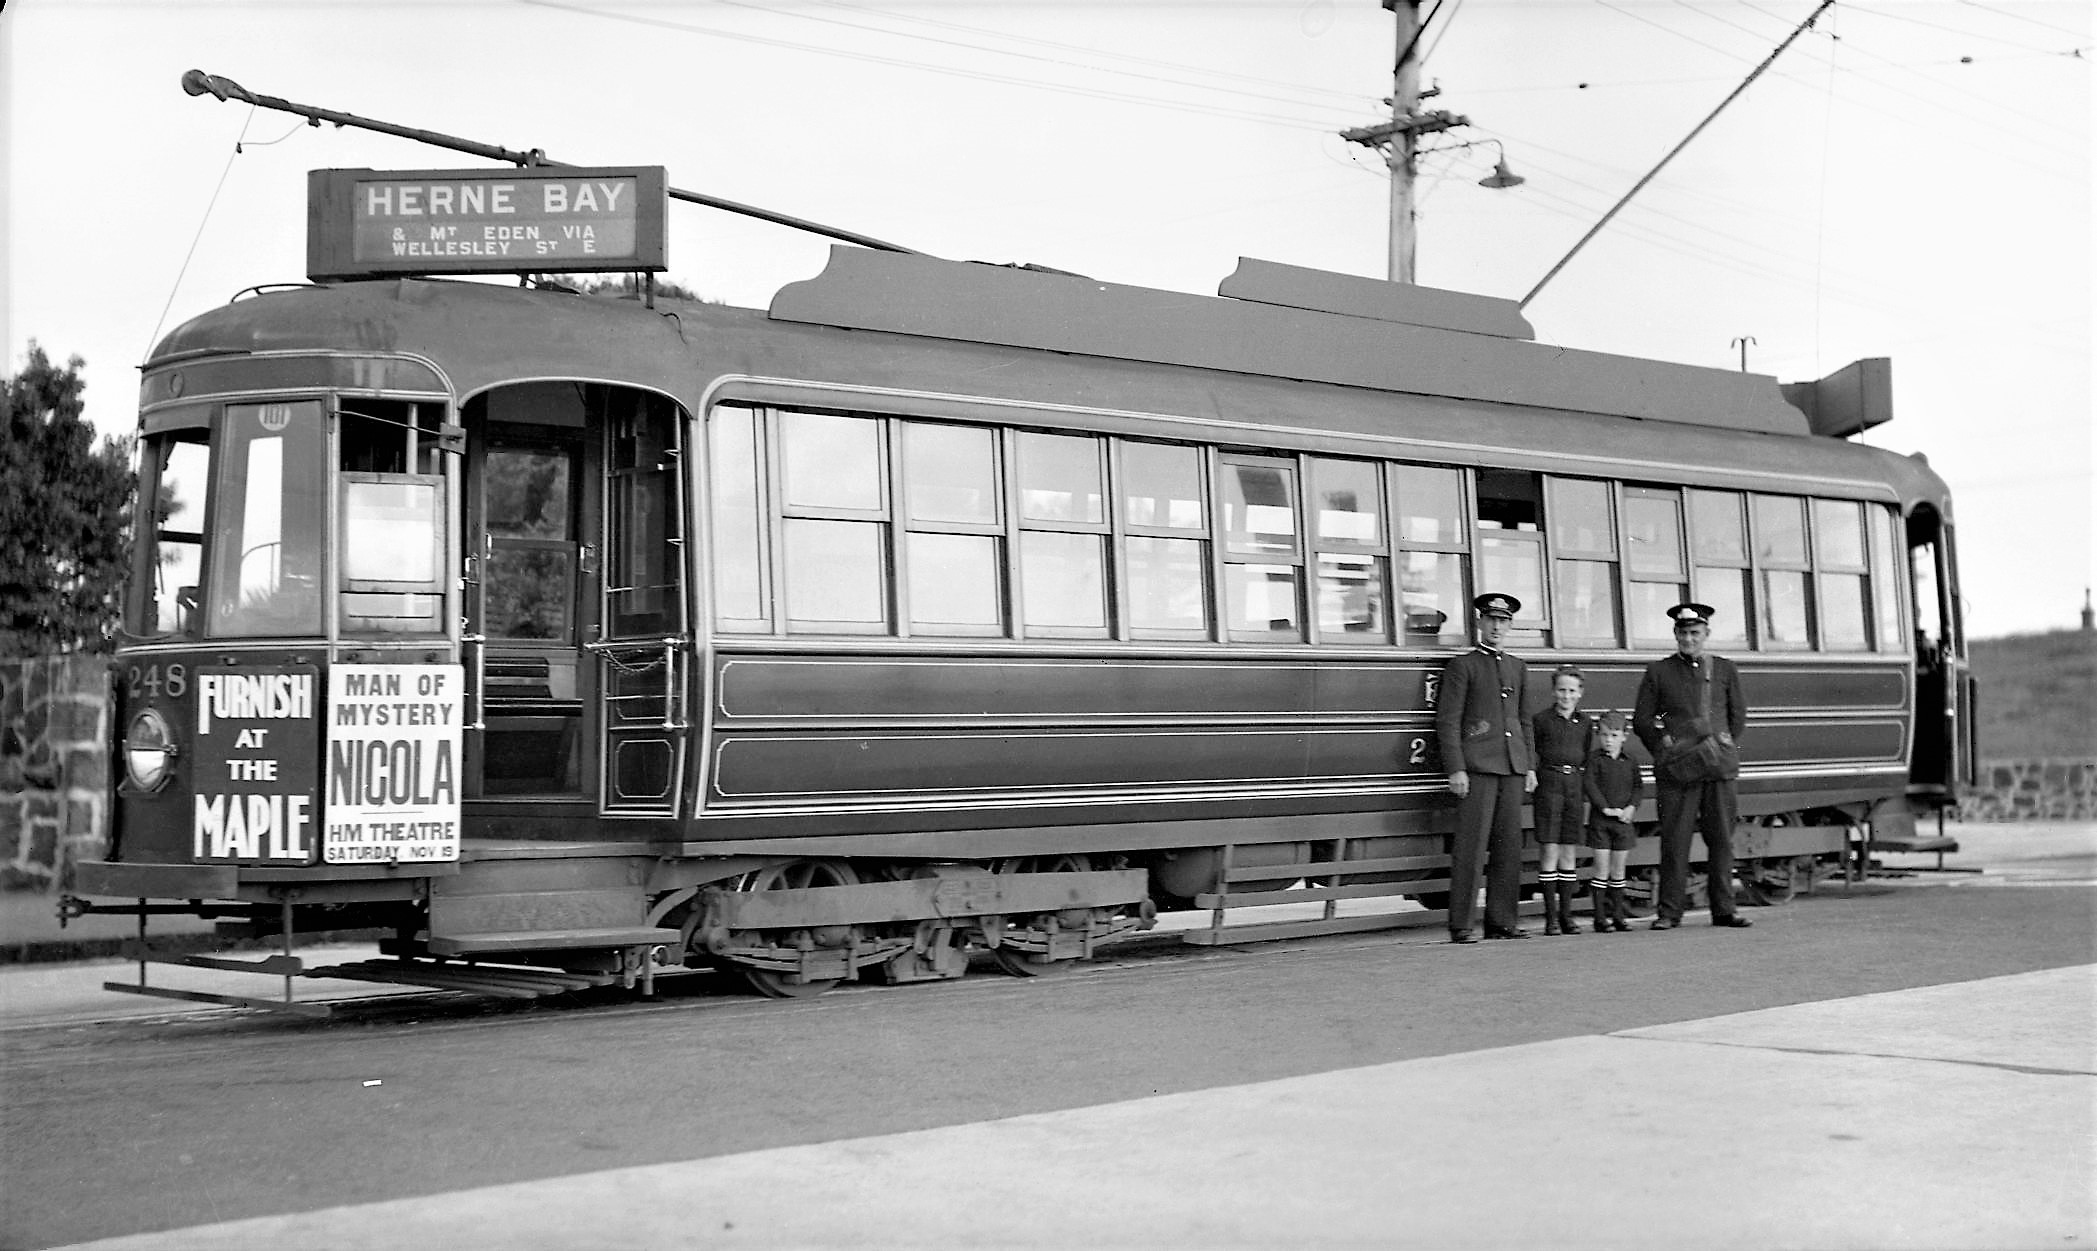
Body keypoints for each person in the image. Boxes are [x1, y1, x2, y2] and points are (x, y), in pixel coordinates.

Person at [1632, 602, 1752, 930]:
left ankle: (1724, 910)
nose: (1689, 639)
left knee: (1722, 841)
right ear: (1675, 634)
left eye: (1695, 633)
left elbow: (1737, 717)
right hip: (1678, 772)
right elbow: (1642, 720)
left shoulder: (1725, 669)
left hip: (1717, 769)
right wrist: (1663, 746)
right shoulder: (1658, 672)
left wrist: (1717, 746)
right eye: (1683, 633)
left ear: (1706, 634)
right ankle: (1669, 913)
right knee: (1674, 841)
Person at [1434, 592, 1538, 943]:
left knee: (1509, 848)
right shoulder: (1463, 666)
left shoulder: (1517, 667)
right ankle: (1461, 924)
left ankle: (1502, 921)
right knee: (1471, 849)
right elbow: (1448, 722)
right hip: (1477, 769)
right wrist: (1456, 768)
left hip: (1512, 767)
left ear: (1510, 625)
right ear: (1480, 622)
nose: (1497, 626)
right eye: (1491, 619)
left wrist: (1530, 766)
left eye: (1503, 620)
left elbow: (1524, 721)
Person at [1530, 664, 1593, 935]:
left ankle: (1567, 916)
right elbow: (1533, 751)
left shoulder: (1586, 723)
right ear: (1554, 691)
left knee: (1569, 852)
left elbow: (1588, 756)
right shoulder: (1541, 720)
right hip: (1549, 785)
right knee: (1550, 851)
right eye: (1561, 690)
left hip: (1574, 787)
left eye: (1571, 690)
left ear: (1579, 693)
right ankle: (1551, 918)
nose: (1566, 696)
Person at [1582, 710, 1642, 933]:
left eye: (1614, 735)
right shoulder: (1595, 760)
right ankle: (1599, 918)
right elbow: (1590, 784)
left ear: (1624, 736)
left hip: (1623, 822)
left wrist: (1631, 808)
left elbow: (1638, 787)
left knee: (1618, 871)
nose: (1609, 740)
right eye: (1605, 735)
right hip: (1601, 822)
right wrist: (1604, 807)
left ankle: (1618, 916)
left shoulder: (1630, 761)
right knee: (1601, 869)